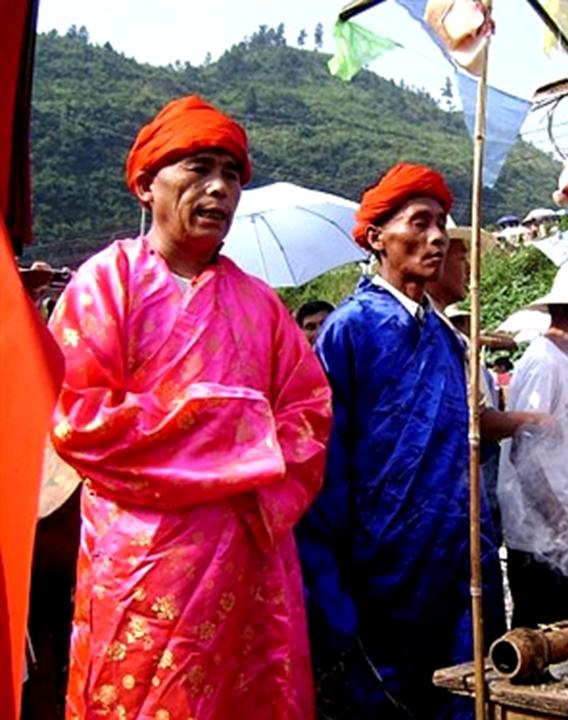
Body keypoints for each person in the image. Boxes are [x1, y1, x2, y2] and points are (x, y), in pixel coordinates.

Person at [47, 95, 332, 719]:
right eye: (199, 168)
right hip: (146, 566)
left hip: (248, 560)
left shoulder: (262, 306)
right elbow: (80, 422)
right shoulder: (104, 284)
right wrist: (239, 429)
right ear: (147, 184)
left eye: (232, 175)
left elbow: (309, 415)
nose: (219, 188)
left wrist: (236, 453)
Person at [296, 163, 504, 720]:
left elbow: (463, 451)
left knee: (460, 693)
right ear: (376, 238)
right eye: (420, 223)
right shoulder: (350, 329)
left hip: (453, 566)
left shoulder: (445, 337)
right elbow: (326, 461)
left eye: (441, 224)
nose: (437, 237)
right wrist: (331, 583)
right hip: (382, 566)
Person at [498, 263, 568, 629]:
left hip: (563, 525)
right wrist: (561, 526)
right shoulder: (544, 363)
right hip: (541, 538)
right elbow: (523, 456)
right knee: (546, 634)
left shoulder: (567, 363)